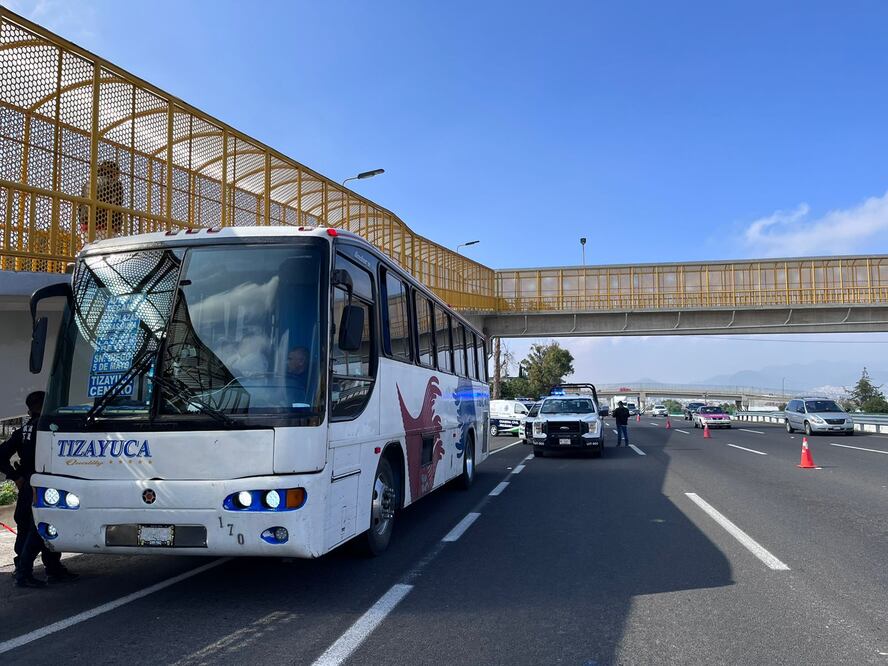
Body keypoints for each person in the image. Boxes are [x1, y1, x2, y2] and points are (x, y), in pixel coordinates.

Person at [0, 391, 78, 588]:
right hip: (44, 484)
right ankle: (31, 571)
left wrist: (16, 477)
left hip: (28, 483)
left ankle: (36, 568)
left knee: (27, 527)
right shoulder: (48, 429)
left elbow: (1, 455)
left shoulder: (23, 430)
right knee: (43, 527)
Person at [78, 160, 124, 238]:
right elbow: (117, 204)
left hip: (86, 225)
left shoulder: (88, 183)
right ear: (113, 172)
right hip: (106, 225)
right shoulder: (115, 184)